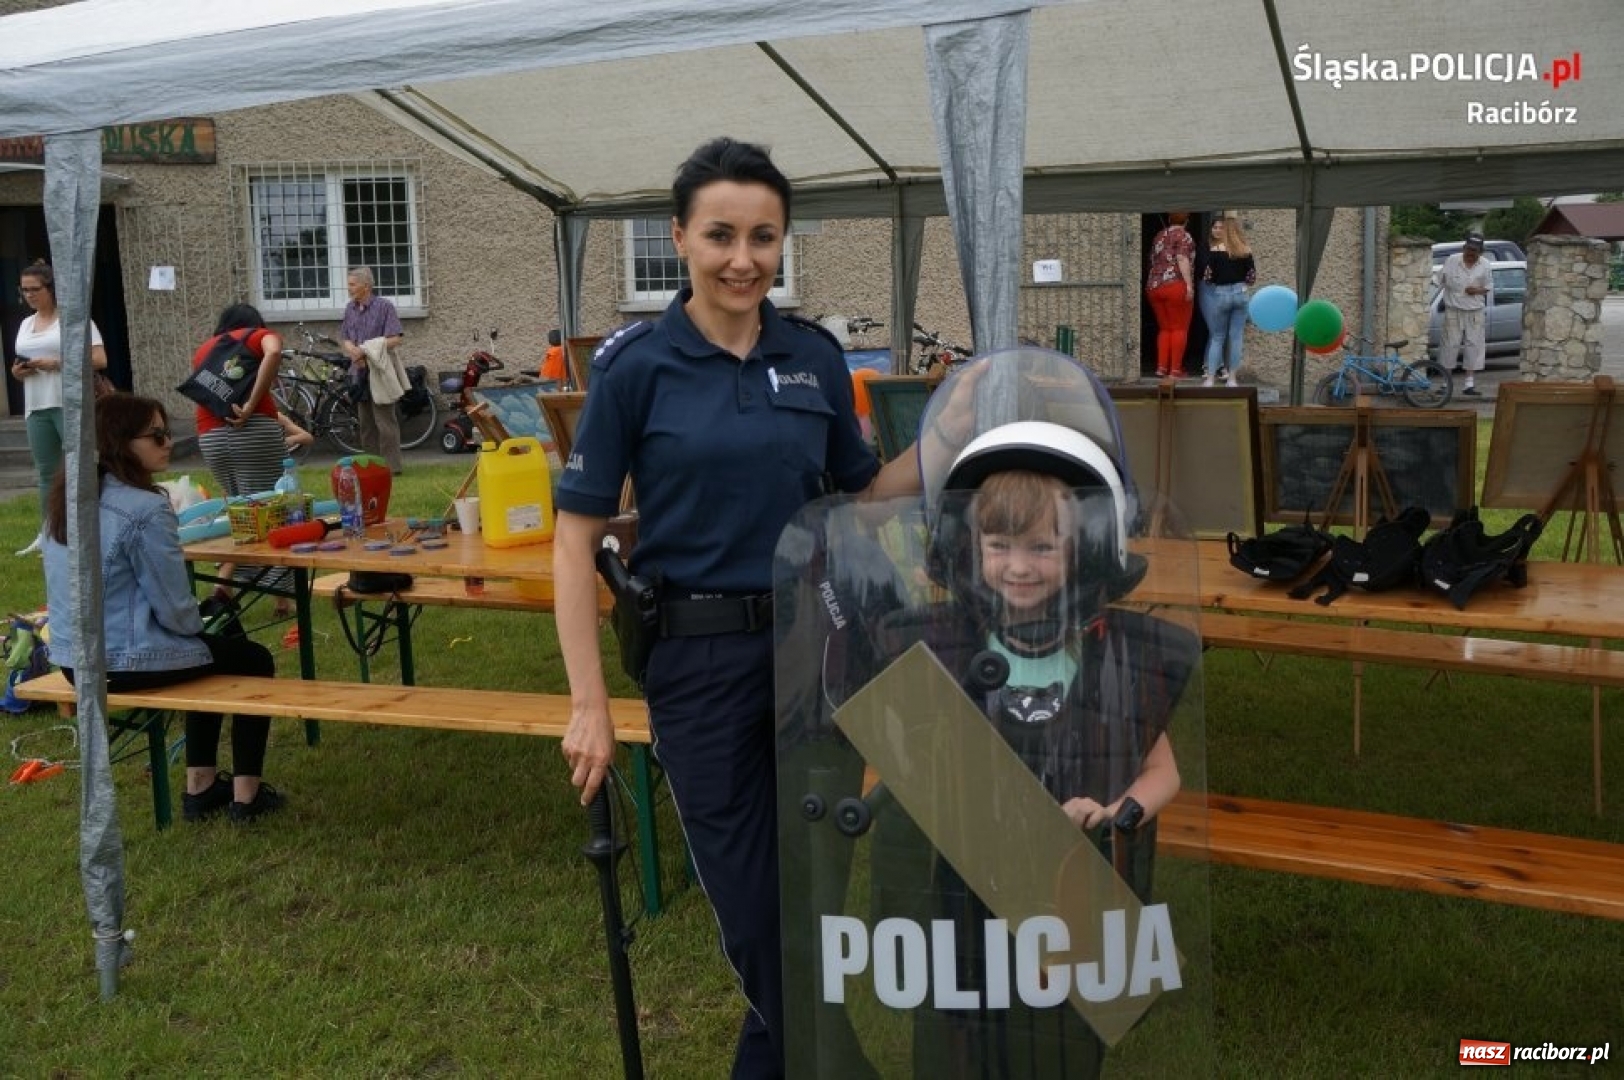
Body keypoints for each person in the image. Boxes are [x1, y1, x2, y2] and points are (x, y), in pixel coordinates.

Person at [552, 136, 964, 1079]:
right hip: (695, 669)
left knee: (806, 907)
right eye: (721, 235)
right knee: (755, 913)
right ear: (680, 239)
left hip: (815, 653)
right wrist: (588, 705)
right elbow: (575, 543)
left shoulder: (814, 358)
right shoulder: (635, 367)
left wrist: (954, 425)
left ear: (784, 242)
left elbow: (864, 493)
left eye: (764, 236)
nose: (743, 257)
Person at [877, 420, 1196, 1076]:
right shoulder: (944, 651)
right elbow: (896, 766)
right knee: (963, 1035)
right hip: (964, 889)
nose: (1019, 566)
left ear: (1083, 550)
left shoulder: (1116, 656)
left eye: (1042, 547)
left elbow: (1163, 772)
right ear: (972, 549)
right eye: (1000, 545)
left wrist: (1118, 814)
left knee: (1059, 1044)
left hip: (1071, 892)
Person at [41, 393, 285, 822]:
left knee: (215, 646)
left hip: (72, 661)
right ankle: (245, 798)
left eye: (167, 432)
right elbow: (177, 614)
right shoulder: (146, 508)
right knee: (254, 658)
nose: (168, 441)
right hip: (124, 661)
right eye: (156, 435)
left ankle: (202, 788)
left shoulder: (67, 503)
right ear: (120, 442)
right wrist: (206, 612)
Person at [10, 259, 110, 556]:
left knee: (79, 469)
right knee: (46, 473)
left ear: (51, 289)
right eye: (24, 290)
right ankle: (50, 532)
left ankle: (87, 529)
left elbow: (100, 359)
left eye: (35, 289)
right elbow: (19, 361)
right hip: (36, 404)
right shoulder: (26, 323)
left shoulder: (74, 319)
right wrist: (19, 372)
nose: (29, 295)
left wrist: (57, 363)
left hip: (70, 403)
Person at [192, 304, 288, 606]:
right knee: (270, 508)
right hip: (255, 430)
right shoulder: (258, 335)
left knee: (237, 512)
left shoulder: (205, 349)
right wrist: (251, 405)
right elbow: (272, 353)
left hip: (211, 436)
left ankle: (226, 585)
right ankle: (281, 598)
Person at [339, 266, 407, 473]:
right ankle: (372, 466)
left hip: (379, 371)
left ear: (366, 286)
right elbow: (345, 339)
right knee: (366, 423)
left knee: (385, 422)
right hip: (358, 372)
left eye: (352, 284)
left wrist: (365, 350)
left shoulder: (384, 306)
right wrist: (352, 350)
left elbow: (395, 338)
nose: (349, 288)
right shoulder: (350, 309)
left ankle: (392, 467)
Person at [1197, 216, 1256, 388]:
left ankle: (1209, 379)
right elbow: (1251, 277)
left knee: (1217, 337)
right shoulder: (1246, 250)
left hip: (1221, 294)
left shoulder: (1215, 250)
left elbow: (1208, 277)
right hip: (1241, 294)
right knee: (1236, 338)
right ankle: (1232, 379)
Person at [1432, 232, 1494, 398]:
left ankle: (1469, 384)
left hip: (1475, 311)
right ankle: (1445, 383)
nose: (1470, 253)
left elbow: (1488, 287)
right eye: (1468, 249)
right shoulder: (1452, 260)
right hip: (1453, 310)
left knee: (1474, 345)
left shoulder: (1485, 264)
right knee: (1449, 345)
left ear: (1480, 251)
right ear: (1464, 247)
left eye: (1474, 251)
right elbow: (1438, 282)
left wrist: (1476, 290)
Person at [1144, 212, 1195, 379]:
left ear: (1168, 219)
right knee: (1179, 328)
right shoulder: (1184, 236)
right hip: (1175, 284)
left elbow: (1150, 260)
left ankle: (1161, 368)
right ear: (1187, 220)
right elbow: (1182, 258)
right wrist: (1188, 285)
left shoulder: (1159, 235)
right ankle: (1175, 370)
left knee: (1165, 328)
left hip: (1154, 286)